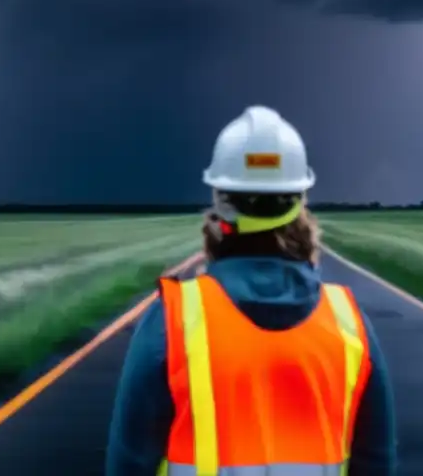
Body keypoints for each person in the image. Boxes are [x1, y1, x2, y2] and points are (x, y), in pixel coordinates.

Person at [106, 105, 397, 476]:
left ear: (220, 204)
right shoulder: (350, 328)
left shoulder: (172, 323)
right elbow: (377, 464)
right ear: (300, 203)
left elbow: (128, 466)